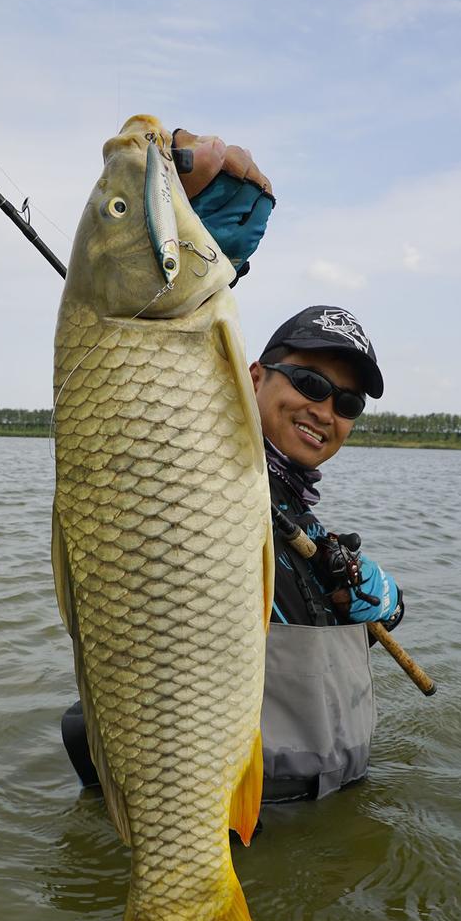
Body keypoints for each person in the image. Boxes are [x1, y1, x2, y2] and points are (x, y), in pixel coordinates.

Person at [61, 130, 403, 804]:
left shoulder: (297, 513)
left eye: (346, 400)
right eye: (306, 381)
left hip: (318, 818)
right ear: (248, 374)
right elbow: (152, 408)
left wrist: (374, 600)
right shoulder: (207, 469)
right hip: (230, 822)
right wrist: (195, 241)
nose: (324, 408)